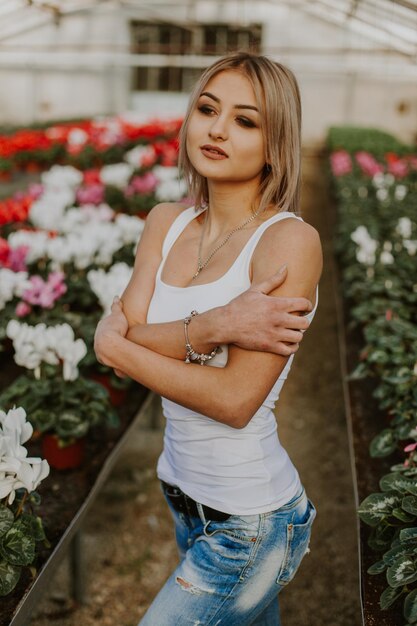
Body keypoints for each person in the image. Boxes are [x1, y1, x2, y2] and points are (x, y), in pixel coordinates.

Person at [94, 51, 323, 626]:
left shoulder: (288, 243)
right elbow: (127, 346)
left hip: (252, 521)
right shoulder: (164, 222)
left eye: (246, 120)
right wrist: (216, 325)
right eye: (207, 108)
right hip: (184, 496)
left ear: (276, 144)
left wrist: (123, 345)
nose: (217, 129)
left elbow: (233, 400)